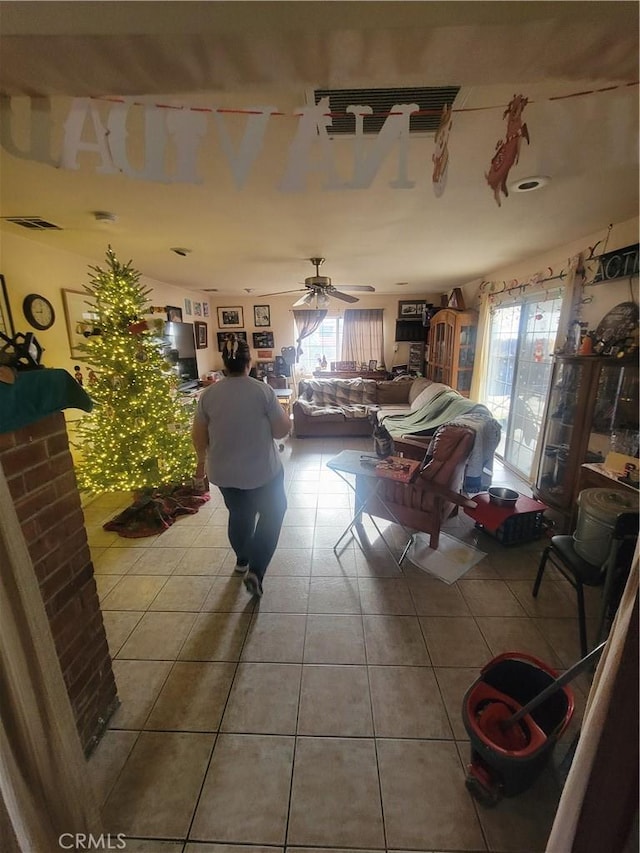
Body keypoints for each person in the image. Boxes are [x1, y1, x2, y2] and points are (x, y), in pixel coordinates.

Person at [191, 334, 290, 597]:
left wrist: (200, 464)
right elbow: (281, 431)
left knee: (240, 514)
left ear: (225, 365)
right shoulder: (263, 391)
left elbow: (198, 436)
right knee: (273, 513)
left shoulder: (208, 395)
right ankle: (256, 571)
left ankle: (242, 560)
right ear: (249, 364)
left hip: (224, 472)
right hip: (262, 472)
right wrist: (287, 416)